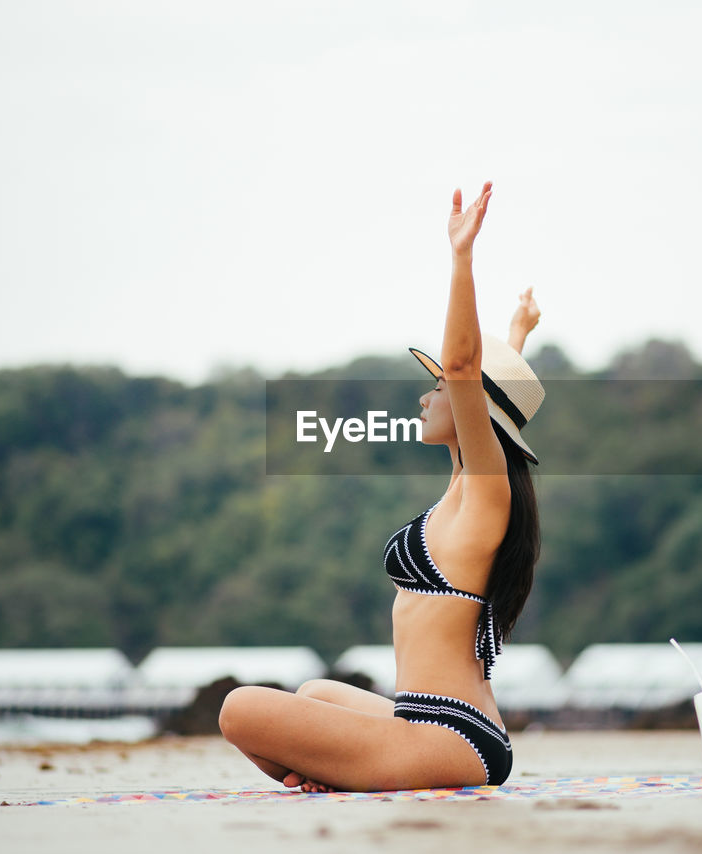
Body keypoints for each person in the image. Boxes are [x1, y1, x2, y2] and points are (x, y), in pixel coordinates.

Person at [218, 182, 545, 792]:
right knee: (316, 692)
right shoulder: (467, 488)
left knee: (238, 709)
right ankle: (338, 772)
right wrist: (518, 332)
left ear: (478, 411)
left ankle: (341, 773)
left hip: (453, 735)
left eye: (438, 390)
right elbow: (492, 391)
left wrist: (462, 257)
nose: (427, 395)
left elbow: (467, 370)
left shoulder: (486, 492)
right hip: (427, 721)